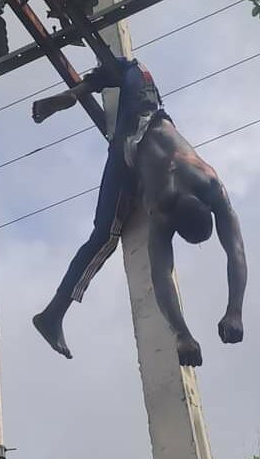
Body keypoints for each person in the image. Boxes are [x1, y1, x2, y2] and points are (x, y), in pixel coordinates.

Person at [31, 58, 247, 367]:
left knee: (104, 237)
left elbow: (165, 276)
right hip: (143, 118)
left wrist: (190, 331)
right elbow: (231, 252)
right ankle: (75, 92)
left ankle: (53, 313)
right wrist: (227, 314)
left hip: (130, 147)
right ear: (203, 204)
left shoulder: (199, 190)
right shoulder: (203, 192)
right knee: (135, 68)